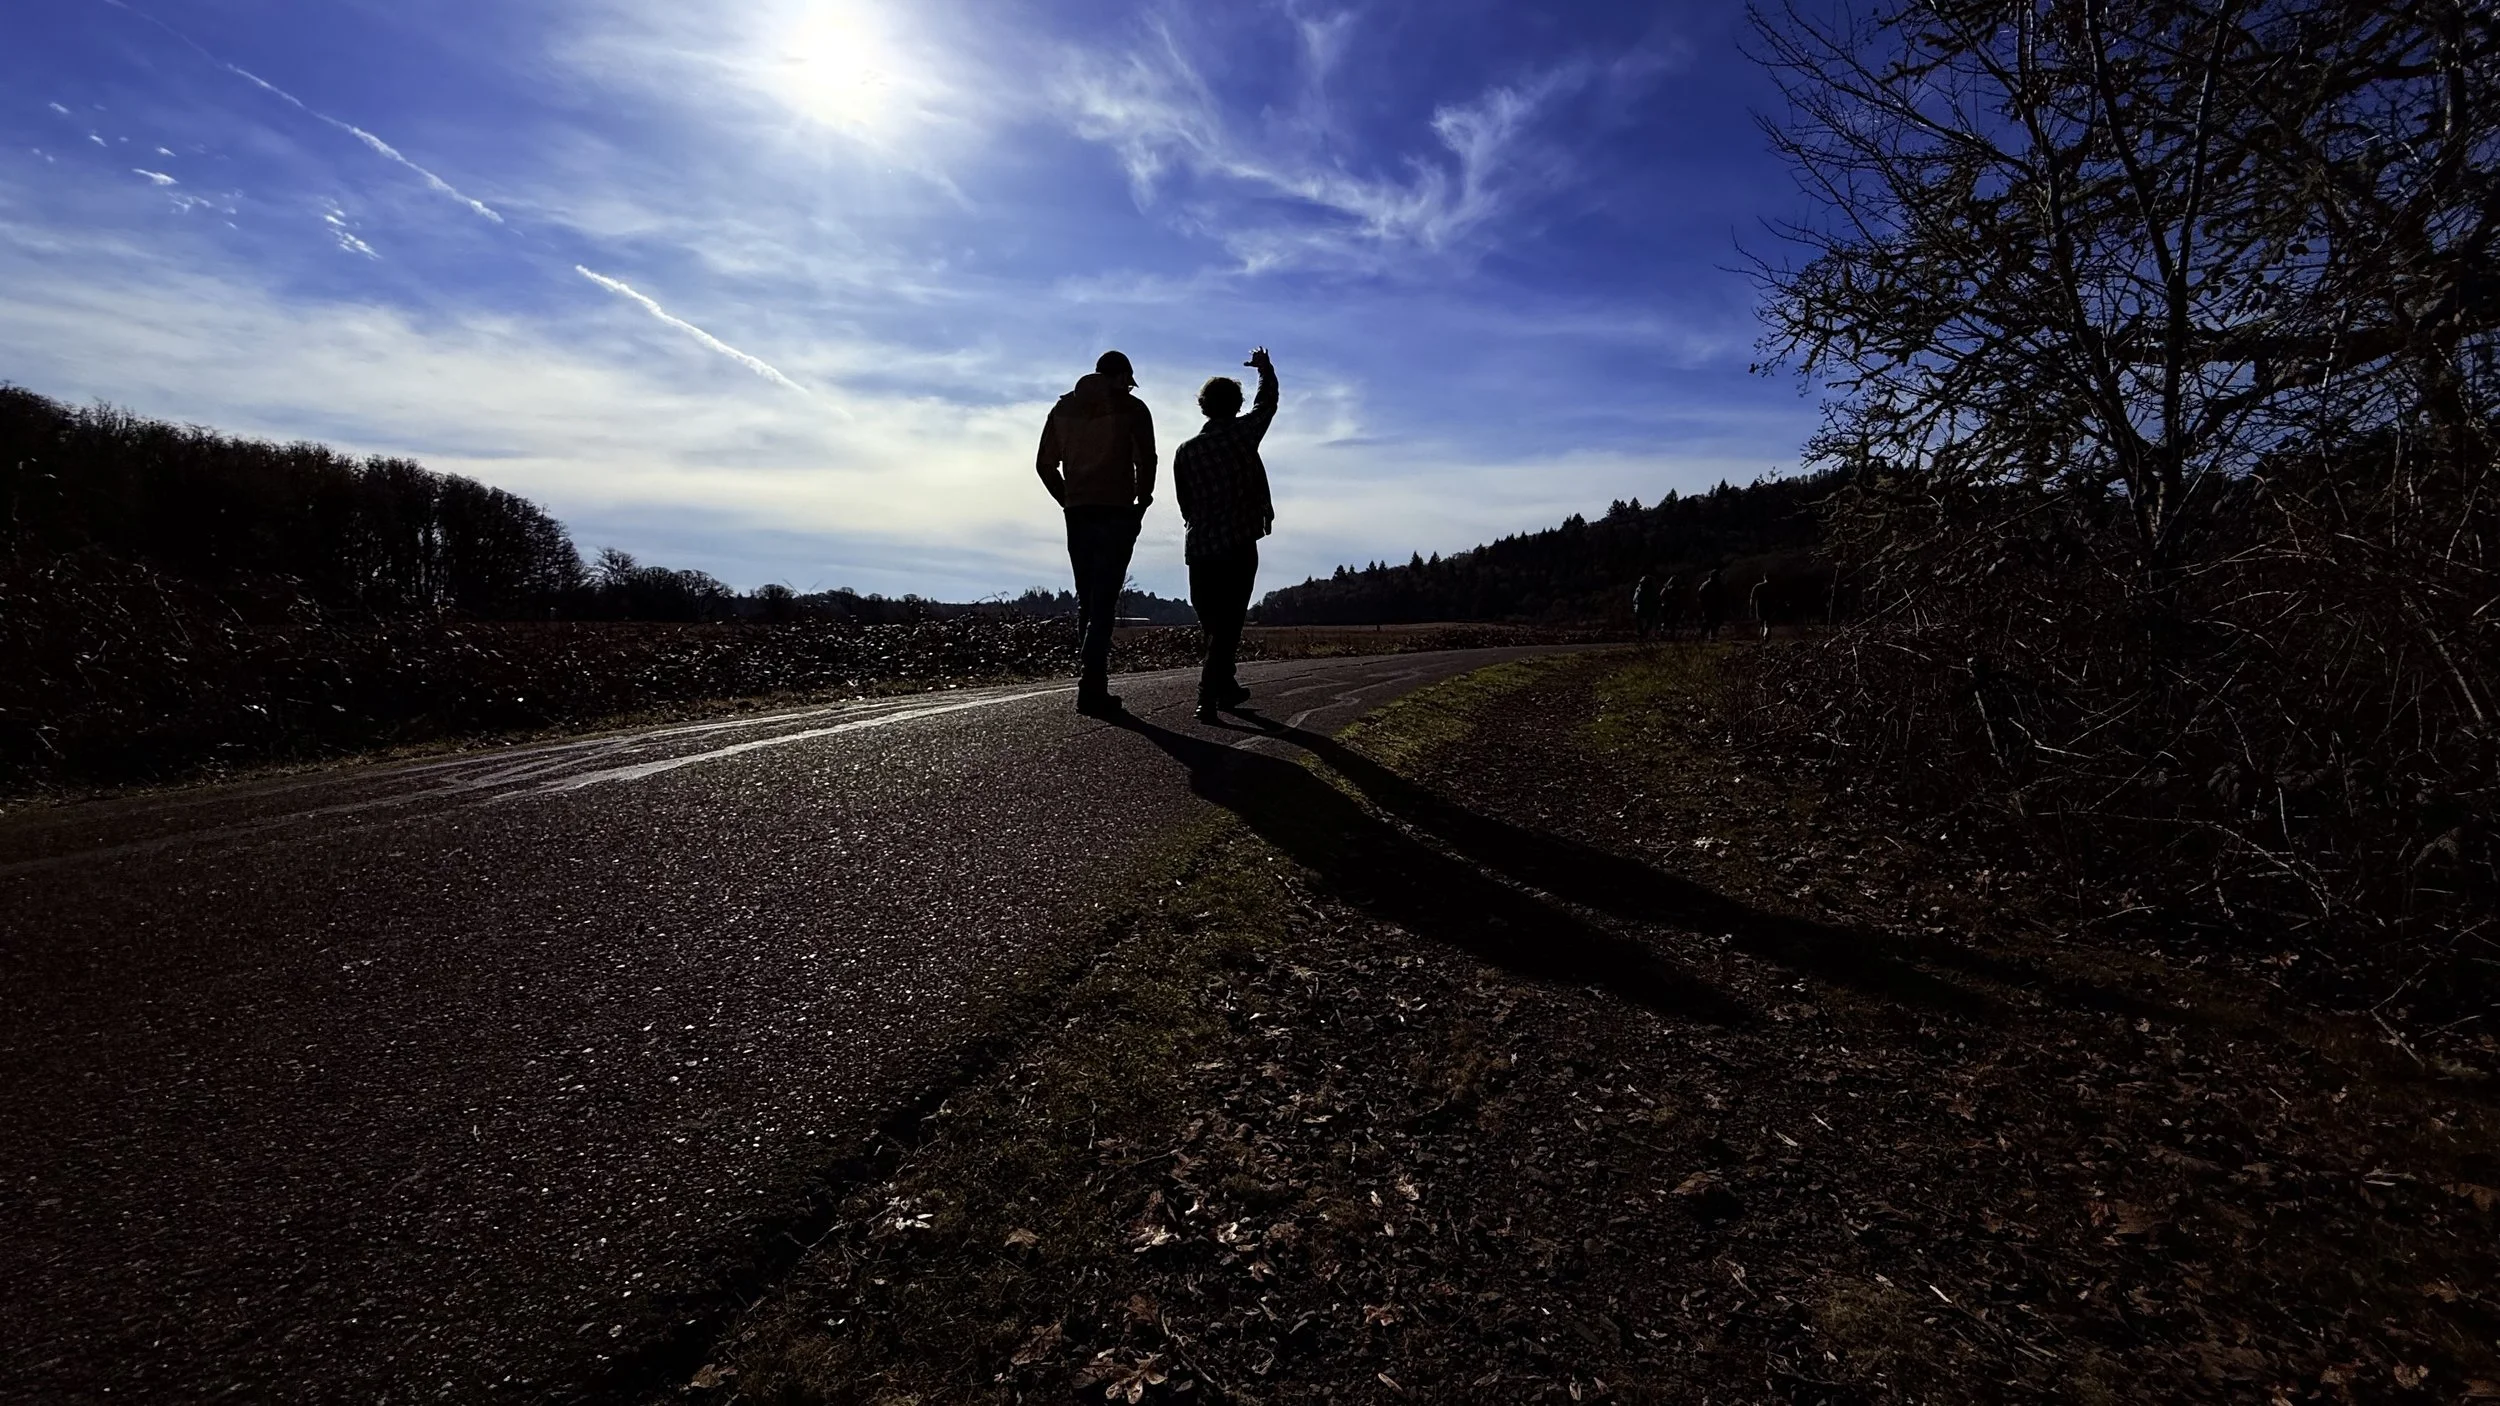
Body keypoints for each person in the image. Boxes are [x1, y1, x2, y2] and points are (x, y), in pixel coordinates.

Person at [1037, 350, 1157, 715]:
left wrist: (1066, 499)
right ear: (1121, 376)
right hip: (1117, 512)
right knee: (1104, 599)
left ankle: (1091, 681)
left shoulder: (1062, 409)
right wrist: (1143, 500)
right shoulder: (1134, 409)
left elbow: (1044, 464)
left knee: (1087, 598)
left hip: (1077, 512)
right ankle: (1092, 684)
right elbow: (1147, 459)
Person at [1173, 346, 1280, 721]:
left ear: (1204, 407)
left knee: (1213, 625)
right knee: (1229, 624)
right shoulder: (1241, 435)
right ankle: (1207, 696)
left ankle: (1227, 687)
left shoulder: (1185, 451)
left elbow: (1183, 503)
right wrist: (1264, 368)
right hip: (1236, 545)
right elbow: (1267, 403)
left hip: (1199, 548)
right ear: (1235, 406)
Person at [1696, 566, 1728, 641]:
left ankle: (1713, 636)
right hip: (1709, 607)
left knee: (1717, 622)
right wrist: (1703, 606)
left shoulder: (1718, 584)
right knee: (1708, 622)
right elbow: (1700, 596)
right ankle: (1702, 636)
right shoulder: (1706, 585)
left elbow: (1723, 595)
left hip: (1717, 607)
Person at [1631, 574, 1656, 642]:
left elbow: (1653, 598)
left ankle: (1644, 634)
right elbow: (1635, 598)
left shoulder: (1650, 589)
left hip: (1647, 607)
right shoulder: (1639, 588)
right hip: (1640, 606)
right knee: (1640, 622)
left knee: (1648, 621)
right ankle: (1642, 634)